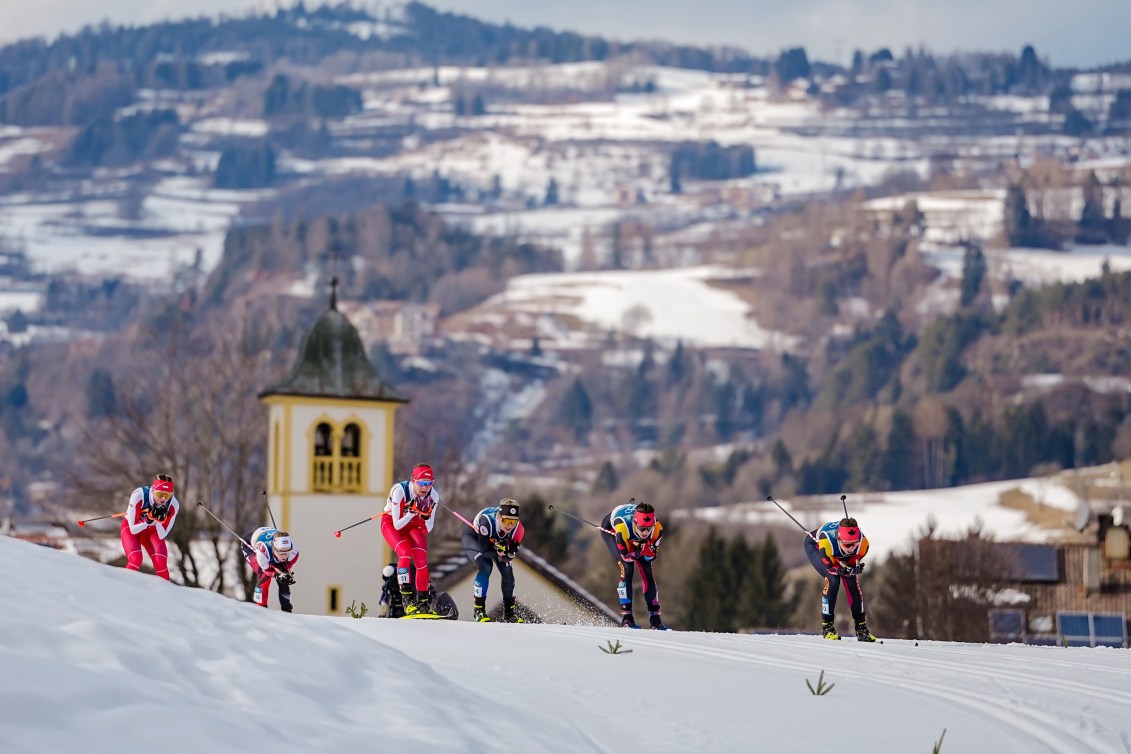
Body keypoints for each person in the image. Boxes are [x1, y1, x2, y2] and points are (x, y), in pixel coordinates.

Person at [805, 517, 876, 642]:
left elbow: (853, 559)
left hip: (838, 552)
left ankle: (861, 629)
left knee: (852, 581)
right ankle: (827, 628)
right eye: (847, 544)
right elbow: (830, 566)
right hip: (816, 547)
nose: (851, 548)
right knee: (833, 580)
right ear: (838, 539)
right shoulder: (826, 543)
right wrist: (839, 570)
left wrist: (855, 568)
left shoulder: (863, 544)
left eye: (855, 544)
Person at [381, 463, 439, 615]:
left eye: (429, 483)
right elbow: (397, 525)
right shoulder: (399, 491)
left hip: (413, 525)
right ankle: (407, 600)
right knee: (405, 552)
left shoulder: (433, 496)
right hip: (392, 524)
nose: (425, 488)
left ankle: (423, 602)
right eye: (421, 483)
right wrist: (411, 512)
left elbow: (429, 528)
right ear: (414, 480)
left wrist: (425, 516)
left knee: (421, 561)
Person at [601, 499, 667, 629]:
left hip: (632, 537)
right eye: (642, 528)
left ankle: (655, 618)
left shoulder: (658, 530)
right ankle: (627, 618)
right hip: (611, 529)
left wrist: (647, 551)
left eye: (649, 529)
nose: (646, 533)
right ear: (635, 523)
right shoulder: (622, 528)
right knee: (627, 568)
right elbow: (626, 556)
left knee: (647, 571)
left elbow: (651, 558)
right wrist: (636, 553)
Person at [462, 499, 525, 623]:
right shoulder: (486, 521)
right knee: (486, 566)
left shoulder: (518, 530)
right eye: (506, 520)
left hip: (496, 542)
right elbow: (486, 552)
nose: (509, 525)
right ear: (499, 517)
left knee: (507, 573)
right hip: (476, 537)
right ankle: (479, 611)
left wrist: (510, 551)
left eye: (513, 521)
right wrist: (499, 551)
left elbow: (508, 557)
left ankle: (509, 614)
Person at [121, 473, 180, 580]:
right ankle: (124, 586)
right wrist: (147, 521)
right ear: (153, 490)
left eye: (167, 495)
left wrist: (157, 521)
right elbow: (133, 530)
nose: (163, 499)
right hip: (132, 529)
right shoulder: (139, 496)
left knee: (161, 562)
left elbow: (162, 535)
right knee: (136, 559)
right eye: (159, 494)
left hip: (152, 532)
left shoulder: (173, 505)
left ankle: (167, 593)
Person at [242, 527, 299, 612]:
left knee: (283, 579)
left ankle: (287, 609)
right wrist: (275, 574)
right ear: (274, 549)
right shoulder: (263, 551)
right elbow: (267, 571)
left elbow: (286, 567)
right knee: (265, 577)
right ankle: (261, 608)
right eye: (281, 552)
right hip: (250, 543)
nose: (284, 556)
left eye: (287, 552)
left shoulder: (294, 552)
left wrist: (284, 575)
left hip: (267, 535)